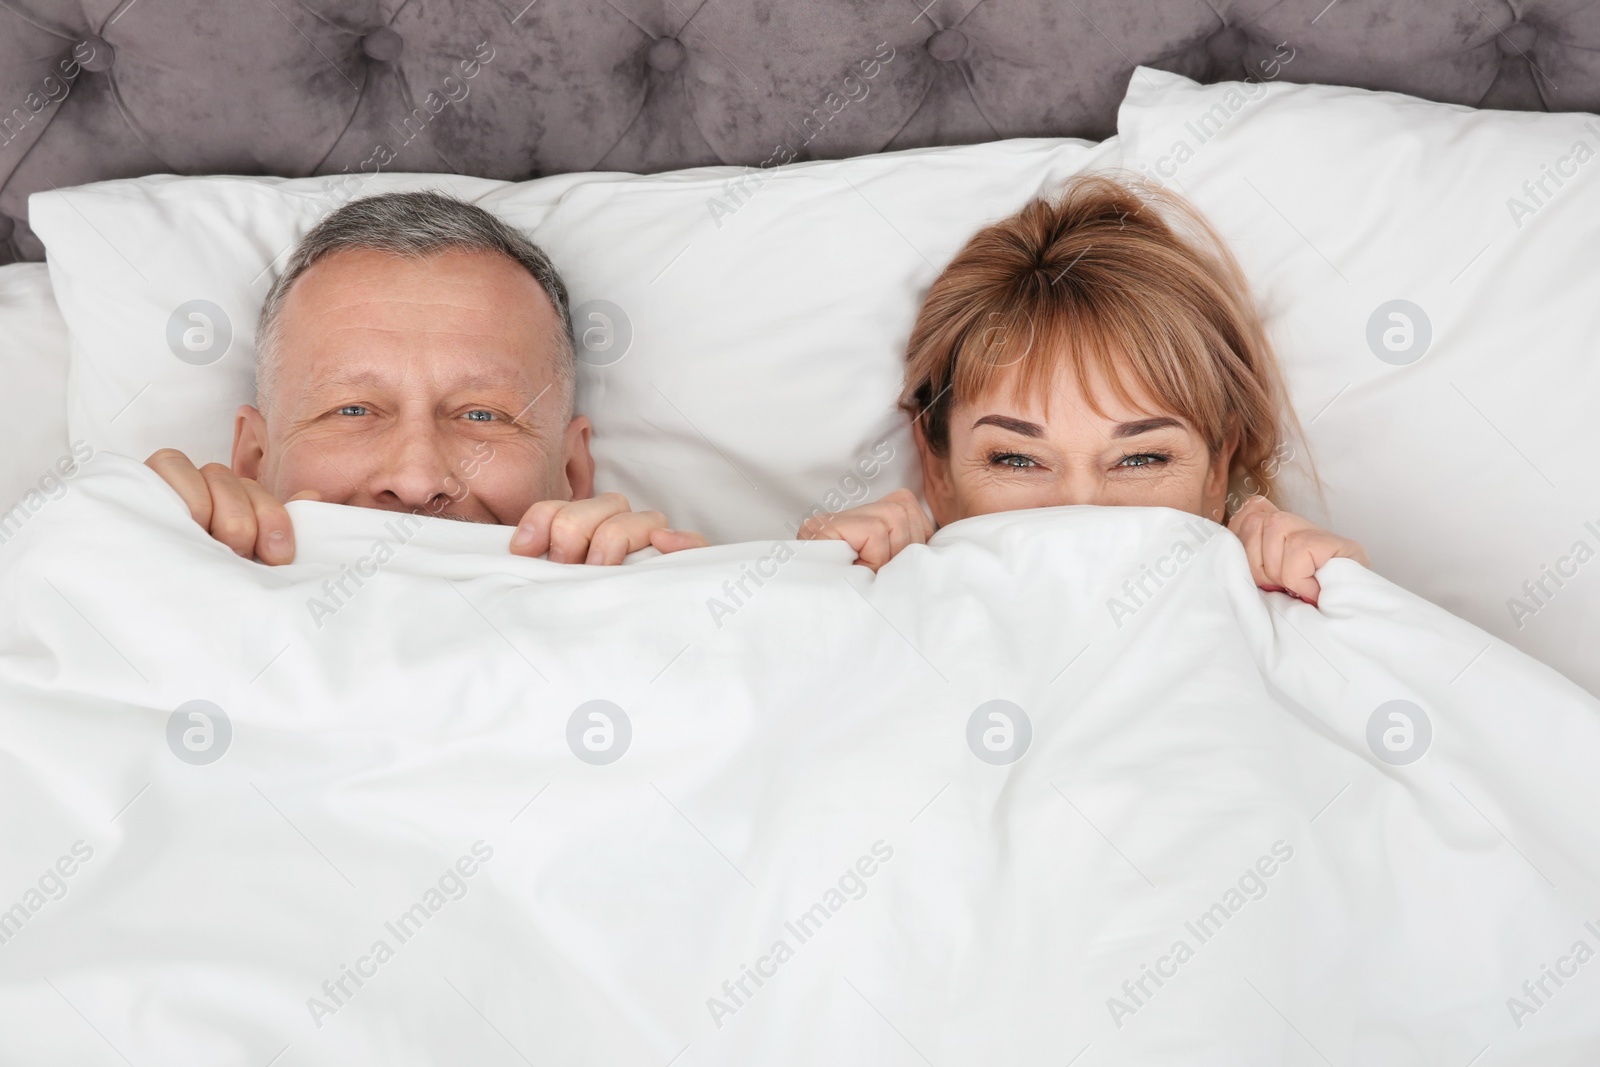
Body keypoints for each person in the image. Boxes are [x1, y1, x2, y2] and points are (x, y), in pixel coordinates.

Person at [798, 173, 1367, 606]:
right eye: (1017, 460)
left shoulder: (1317, 625)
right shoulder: (842, 616)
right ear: (938, 472)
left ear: (1217, 469)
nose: (1081, 513)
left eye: (1141, 458)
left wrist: (1356, 617)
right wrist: (808, 600)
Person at [145, 191, 705, 566]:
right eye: (353, 410)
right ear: (253, 461)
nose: (416, 482)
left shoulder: (673, 612)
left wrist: (695, 619)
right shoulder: (133, 573)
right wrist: (120, 551)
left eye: (482, 415)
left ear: (571, 470)